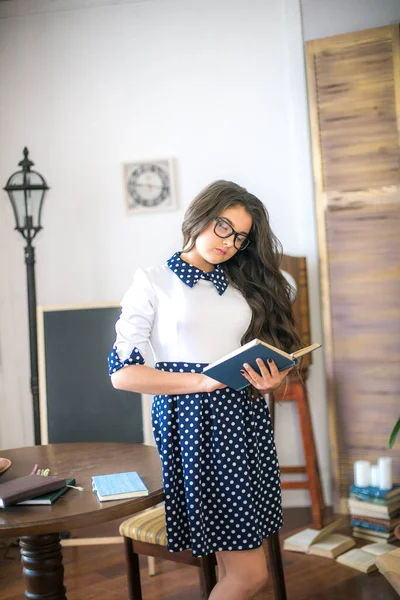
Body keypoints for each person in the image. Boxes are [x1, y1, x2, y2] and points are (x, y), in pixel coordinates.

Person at [108, 180, 301, 600]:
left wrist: (272, 380)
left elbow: (254, 356)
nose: (229, 242)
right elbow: (123, 374)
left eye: (240, 237)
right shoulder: (154, 280)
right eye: (222, 227)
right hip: (194, 428)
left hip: (244, 423)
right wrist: (203, 381)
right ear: (199, 217)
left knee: (246, 563)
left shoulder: (241, 286)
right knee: (250, 576)